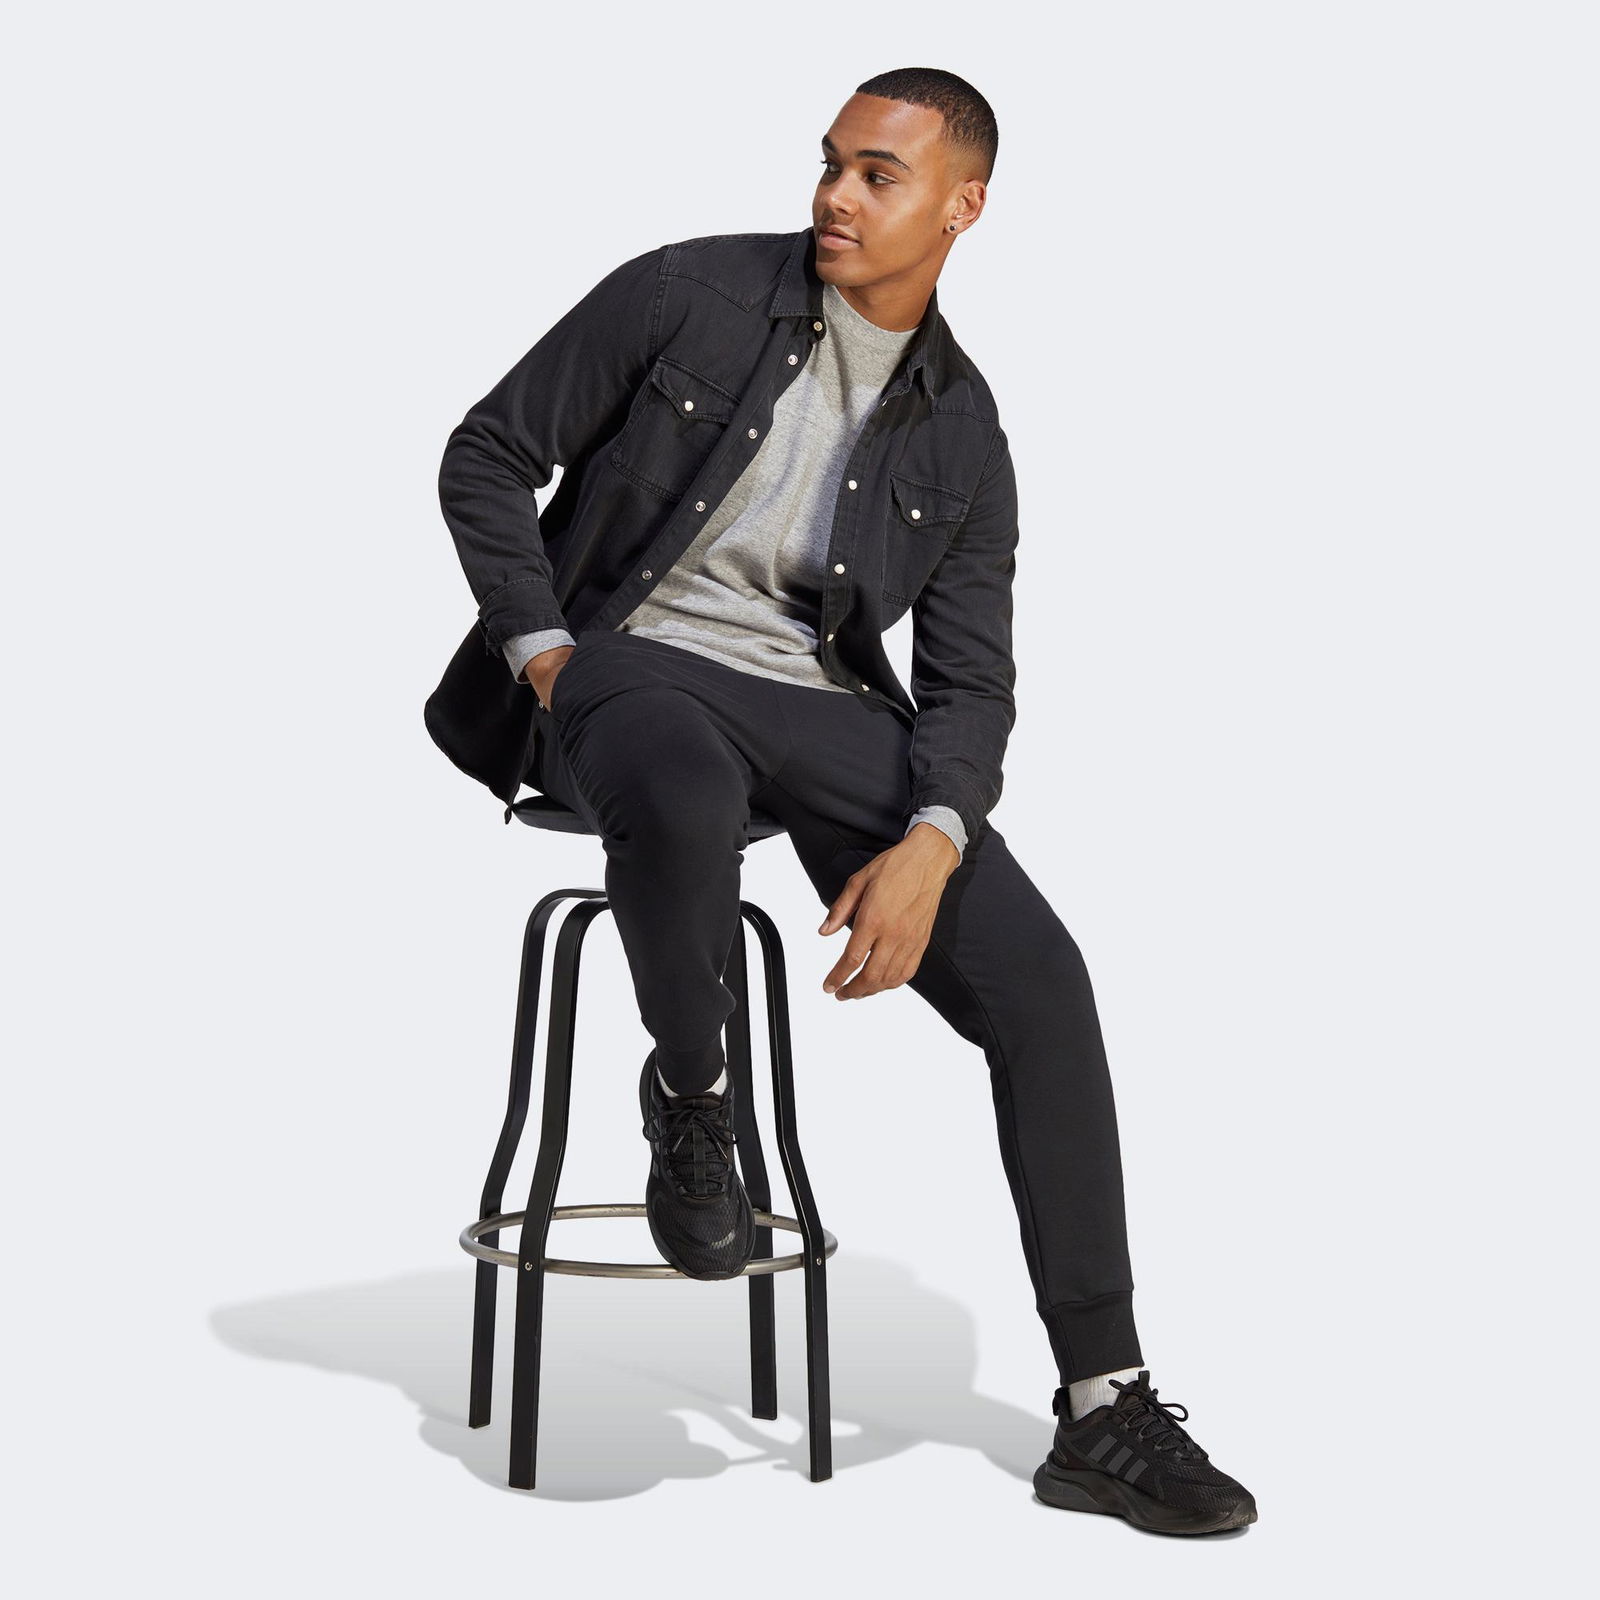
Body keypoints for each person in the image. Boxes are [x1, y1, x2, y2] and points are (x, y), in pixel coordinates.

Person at [425, 67, 1255, 1535]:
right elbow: (488, 451)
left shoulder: (964, 430)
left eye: (879, 174)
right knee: (680, 781)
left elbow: (972, 681)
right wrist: (546, 650)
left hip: (819, 713)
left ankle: (1104, 1405)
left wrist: (934, 840)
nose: (835, 196)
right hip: (627, 667)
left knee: (1043, 981)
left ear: (963, 206)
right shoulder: (686, 293)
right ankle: (695, 1100)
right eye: (830, 164)